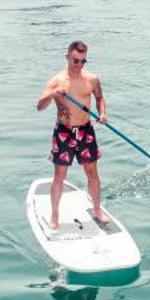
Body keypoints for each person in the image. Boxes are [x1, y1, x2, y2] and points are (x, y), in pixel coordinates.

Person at [36, 39, 108, 228]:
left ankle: (97, 210)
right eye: (76, 60)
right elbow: (40, 107)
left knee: (92, 172)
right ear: (67, 57)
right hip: (64, 133)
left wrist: (102, 113)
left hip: (85, 131)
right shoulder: (56, 81)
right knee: (60, 176)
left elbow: (100, 98)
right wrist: (52, 95)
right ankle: (54, 215)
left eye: (83, 61)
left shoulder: (91, 79)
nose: (79, 65)